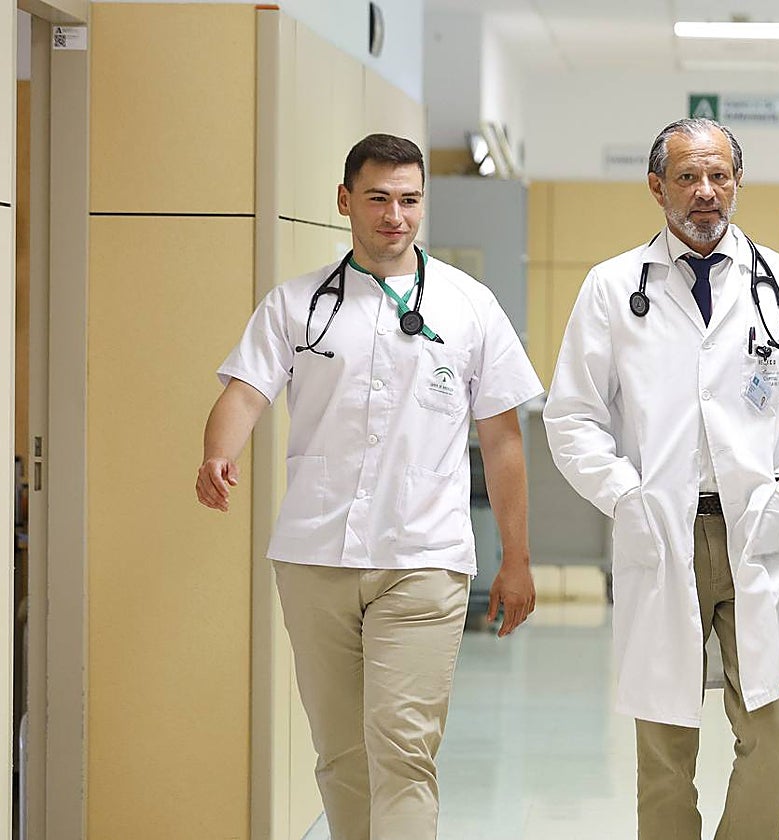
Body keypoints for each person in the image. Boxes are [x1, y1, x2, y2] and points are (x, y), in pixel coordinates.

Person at [195, 134, 543, 840]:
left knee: (403, 750)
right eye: (379, 198)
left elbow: (504, 439)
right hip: (316, 555)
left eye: (410, 199)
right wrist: (216, 453)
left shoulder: (471, 306)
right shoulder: (297, 304)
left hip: (424, 557)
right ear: (345, 201)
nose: (396, 215)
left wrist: (516, 557)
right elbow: (245, 392)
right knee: (343, 755)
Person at [543, 117, 779, 840]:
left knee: (776, 736)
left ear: (737, 182)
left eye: (719, 176)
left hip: (757, 531)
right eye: (687, 177)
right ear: (657, 187)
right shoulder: (612, 288)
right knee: (665, 753)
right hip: (658, 529)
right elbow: (572, 417)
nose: (705, 192)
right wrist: (624, 493)